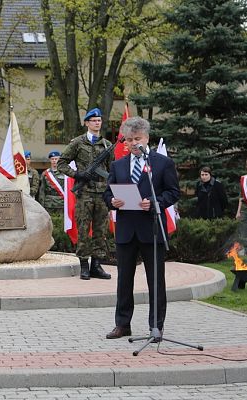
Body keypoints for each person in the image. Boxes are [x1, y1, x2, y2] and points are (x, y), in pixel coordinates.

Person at [103, 116, 180, 339]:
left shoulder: (162, 163)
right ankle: (122, 324)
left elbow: (173, 192)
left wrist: (155, 203)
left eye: (137, 139)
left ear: (146, 138)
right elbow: (107, 193)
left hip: (151, 229)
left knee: (155, 280)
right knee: (124, 280)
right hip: (126, 230)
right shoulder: (118, 165)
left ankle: (156, 326)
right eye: (129, 139)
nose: (133, 143)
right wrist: (112, 202)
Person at [57, 107, 112, 280]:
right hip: (84, 194)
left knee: (100, 231)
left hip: (102, 194)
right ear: (87, 123)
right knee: (83, 230)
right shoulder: (78, 143)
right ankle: (84, 265)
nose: (97, 123)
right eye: (94, 120)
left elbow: (112, 170)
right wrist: (77, 174)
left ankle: (96, 265)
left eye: (99, 120)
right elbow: (61, 163)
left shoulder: (107, 145)